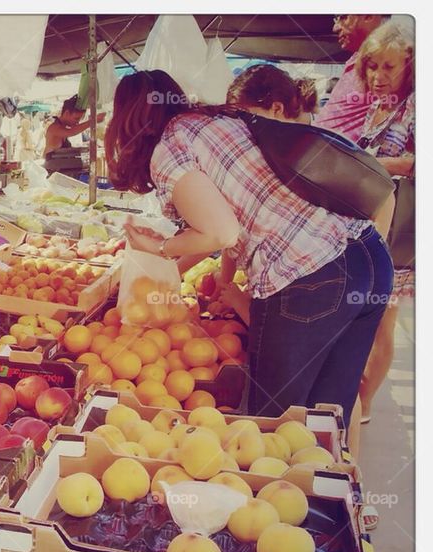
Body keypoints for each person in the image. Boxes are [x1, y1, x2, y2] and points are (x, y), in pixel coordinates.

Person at [104, 70, 393, 426]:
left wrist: (162, 247)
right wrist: (172, 262)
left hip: (310, 274)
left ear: (127, 122)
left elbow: (222, 233)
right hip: (367, 258)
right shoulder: (222, 121)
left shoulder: (169, 148)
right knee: (323, 423)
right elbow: (229, 226)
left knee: (273, 428)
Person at [354, 18, 415, 422]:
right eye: (372, 66)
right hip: (374, 226)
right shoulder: (381, 106)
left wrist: (374, 161)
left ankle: (367, 403)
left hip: (401, 234)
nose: (377, 76)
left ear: (409, 64)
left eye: (388, 67)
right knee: (366, 313)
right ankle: (356, 392)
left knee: (382, 320)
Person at [315, 14, 387, 141]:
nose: (335, 28)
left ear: (368, 16)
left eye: (343, 17)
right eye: (336, 20)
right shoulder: (356, 58)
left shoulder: (391, 59)